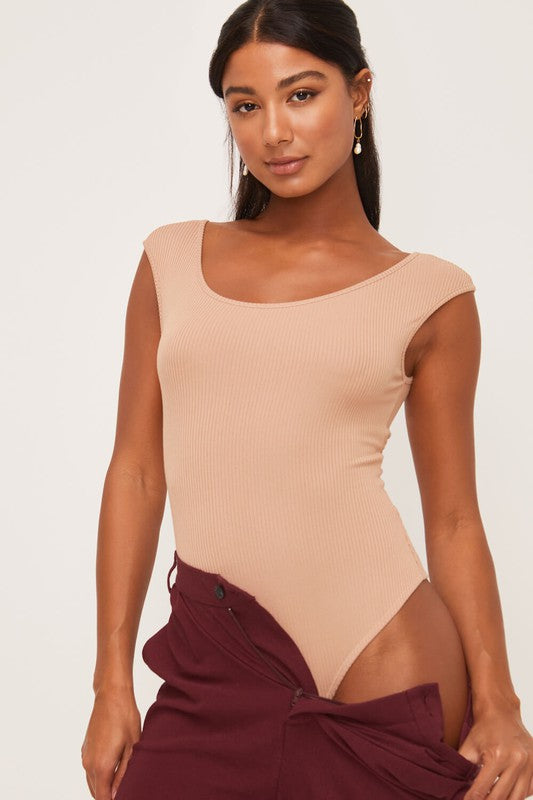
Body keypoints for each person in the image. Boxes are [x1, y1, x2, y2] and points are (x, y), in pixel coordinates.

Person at [81, 1, 533, 799]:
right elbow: (137, 473)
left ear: (357, 94)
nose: (273, 132)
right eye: (244, 105)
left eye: (301, 95)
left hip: (381, 661)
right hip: (212, 660)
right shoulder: (171, 260)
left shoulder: (430, 295)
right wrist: (110, 683)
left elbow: (454, 519)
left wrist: (499, 702)